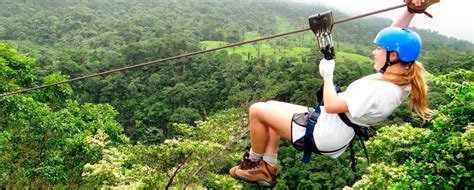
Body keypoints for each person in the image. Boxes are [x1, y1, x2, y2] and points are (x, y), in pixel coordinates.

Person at [229, 0, 435, 187]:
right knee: (270, 107)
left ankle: (253, 163)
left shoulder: (380, 90)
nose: (375, 52)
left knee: (257, 110)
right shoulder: (399, 78)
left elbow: (332, 105)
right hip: (333, 126)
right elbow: (395, 33)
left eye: (379, 49)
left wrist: (328, 75)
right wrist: (410, 11)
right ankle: (267, 166)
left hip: (325, 132)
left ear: (394, 55)